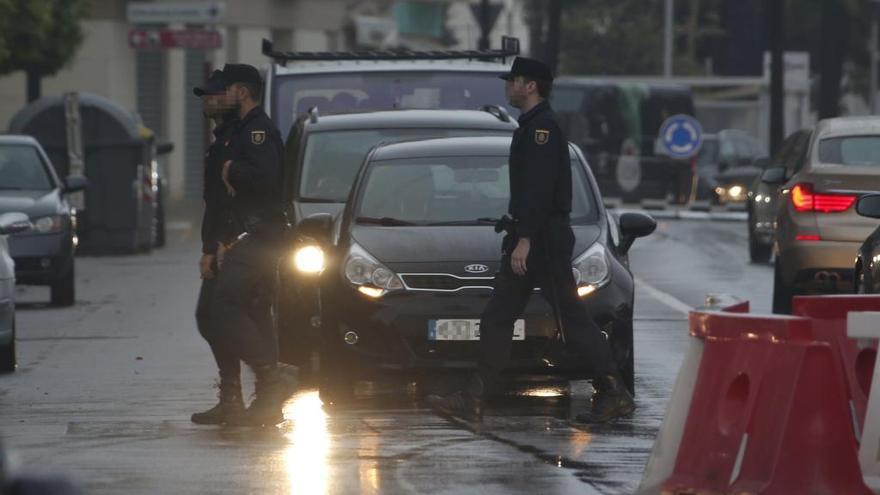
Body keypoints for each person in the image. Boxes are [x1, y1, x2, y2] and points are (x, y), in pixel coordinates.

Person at [426, 57, 635, 424]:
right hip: (532, 237)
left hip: (543, 242)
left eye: (514, 81)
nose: (508, 87)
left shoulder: (543, 130)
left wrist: (525, 240)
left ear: (530, 86)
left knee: (571, 319)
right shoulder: (533, 126)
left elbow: (538, 192)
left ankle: (614, 391)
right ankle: (474, 396)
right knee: (498, 317)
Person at [210, 63, 288, 426]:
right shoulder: (241, 128)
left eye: (226, 89)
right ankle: (268, 395)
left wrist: (231, 171)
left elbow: (266, 177)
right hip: (249, 235)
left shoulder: (257, 129)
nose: (220, 96)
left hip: (262, 237)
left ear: (241, 92)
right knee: (254, 311)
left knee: (224, 304)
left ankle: (273, 379)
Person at [190, 70, 245, 425]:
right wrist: (209, 246)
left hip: (238, 244)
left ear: (236, 95)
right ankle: (232, 396)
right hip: (222, 243)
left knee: (219, 316)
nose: (208, 100)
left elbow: (244, 198)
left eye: (215, 94)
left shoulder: (244, 136)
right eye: (205, 95)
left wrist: (225, 243)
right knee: (210, 317)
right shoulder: (223, 137)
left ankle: (256, 387)